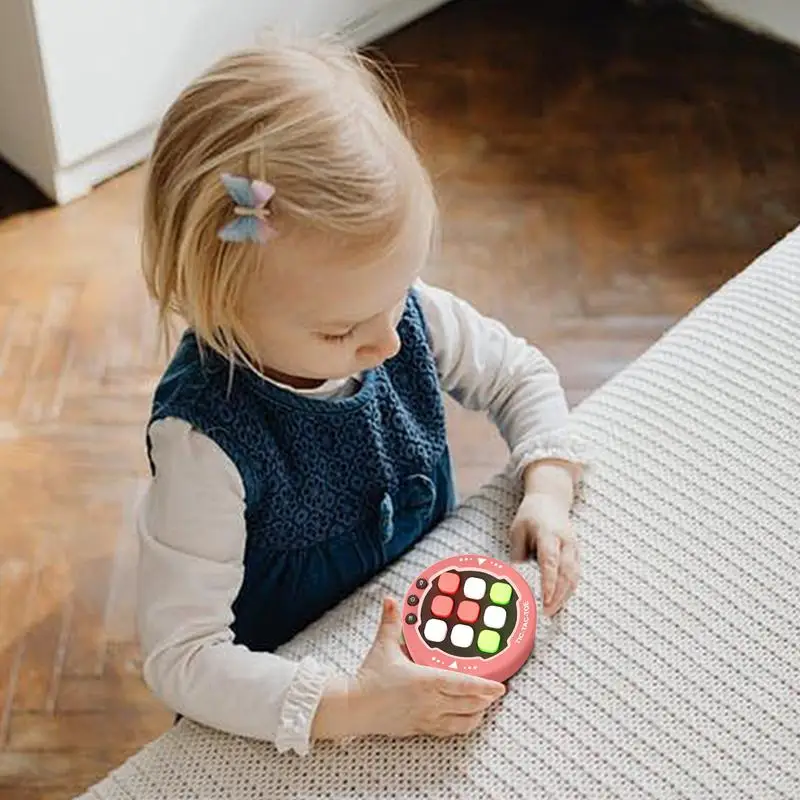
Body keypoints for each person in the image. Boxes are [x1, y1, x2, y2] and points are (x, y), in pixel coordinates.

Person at [136, 34, 586, 757]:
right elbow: (181, 657)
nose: (390, 344)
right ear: (221, 307)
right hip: (292, 687)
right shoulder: (204, 442)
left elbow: (520, 374)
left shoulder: (394, 313)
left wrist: (548, 486)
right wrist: (351, 705)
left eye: (396, 293)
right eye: (342, 330)